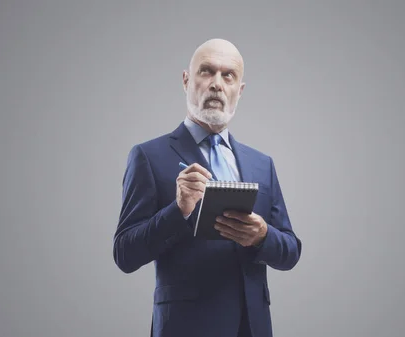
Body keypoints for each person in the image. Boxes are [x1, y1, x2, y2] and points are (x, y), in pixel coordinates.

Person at [113, 38, 302, 337]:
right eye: (206, 71)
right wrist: (178, 211)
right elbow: (124, 254)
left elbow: (291, 251)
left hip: (253, 327)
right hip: (185, 327)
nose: (217, 84)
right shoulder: (148, 156)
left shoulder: (261, 163)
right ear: (186, 80)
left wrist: (262, 236)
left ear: (239, 91)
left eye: (228, 75)